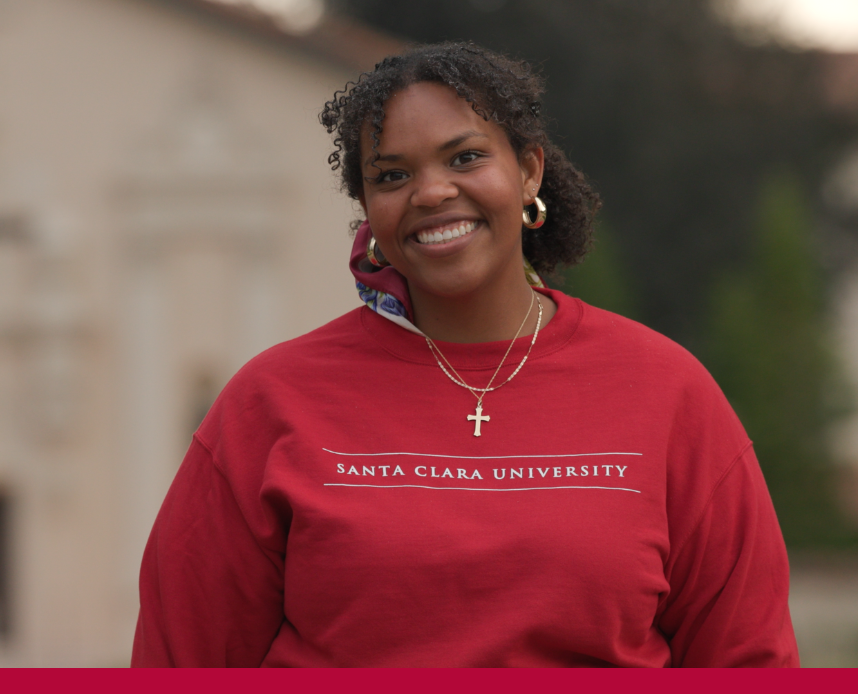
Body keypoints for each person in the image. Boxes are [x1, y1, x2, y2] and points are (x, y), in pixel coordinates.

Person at [132, 42, 799, 667]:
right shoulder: (269, 402)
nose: (430, 192)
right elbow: (180, 656)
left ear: (528, 168)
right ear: (367, 207)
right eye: (391, 174)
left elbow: (747, 656)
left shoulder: (666, 391)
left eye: (464, 158)